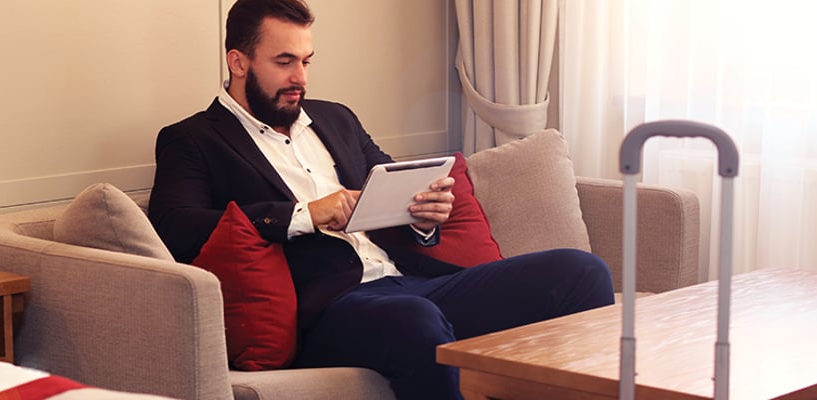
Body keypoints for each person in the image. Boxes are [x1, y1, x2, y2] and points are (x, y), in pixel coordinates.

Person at [147, 0, 615, 398]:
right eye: (284, 62)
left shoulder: (336, 120)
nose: (300, 78)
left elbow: (390, 190)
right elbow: (177, 227)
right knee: (415, 319)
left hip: (409, 281)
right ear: (238, 62)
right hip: (328, 308)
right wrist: (303, 216)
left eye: (307, 61)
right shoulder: (193, 140)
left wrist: (423, 215)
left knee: (579, 271)